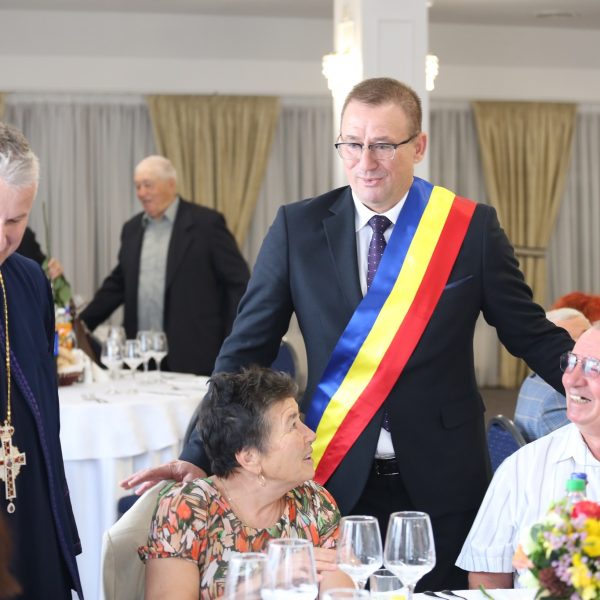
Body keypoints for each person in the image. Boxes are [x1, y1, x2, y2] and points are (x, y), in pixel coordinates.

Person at [122, 77, 574, 591]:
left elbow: (530, 333)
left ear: (419, 146)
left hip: (445, 476)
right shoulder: (297, 227)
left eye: (384, 144)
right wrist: (198, 452)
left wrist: (590, 380)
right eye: (352, 144)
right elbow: (245, 349)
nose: (366, 161)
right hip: (332, 477)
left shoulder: (468, 228)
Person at [139, 367, 351, 599]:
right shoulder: (187, 509)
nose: (310, 434)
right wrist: (266, 580)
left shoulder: (315, 503)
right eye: (292, 425)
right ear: (249, 457)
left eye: (299, 420)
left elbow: (341, 592)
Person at [0, 122, 82, 598]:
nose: (2, 238)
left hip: (29, 499)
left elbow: (46, 414)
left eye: (15, 221)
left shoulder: (30, 280)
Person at [456, 324, 600, 590]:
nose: (571, 380)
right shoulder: (524, 467)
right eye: (572, 362)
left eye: (594, 368)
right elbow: (487, 577)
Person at [79, 155, 250, 375]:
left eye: (148, 185)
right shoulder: (132, 229)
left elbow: (238, 284)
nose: (141, 193)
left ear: (171, 184)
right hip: (141, 360)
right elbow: (118, 284)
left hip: (196, 357)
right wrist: (81, 324)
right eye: (137, 186)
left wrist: (233, 341)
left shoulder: (207, 225)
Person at [514, 307, 591, 441]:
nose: (585, 345)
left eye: (587, 335)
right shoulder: (557, 395)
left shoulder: (533, 379)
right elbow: (580, 448)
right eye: (569, 340)